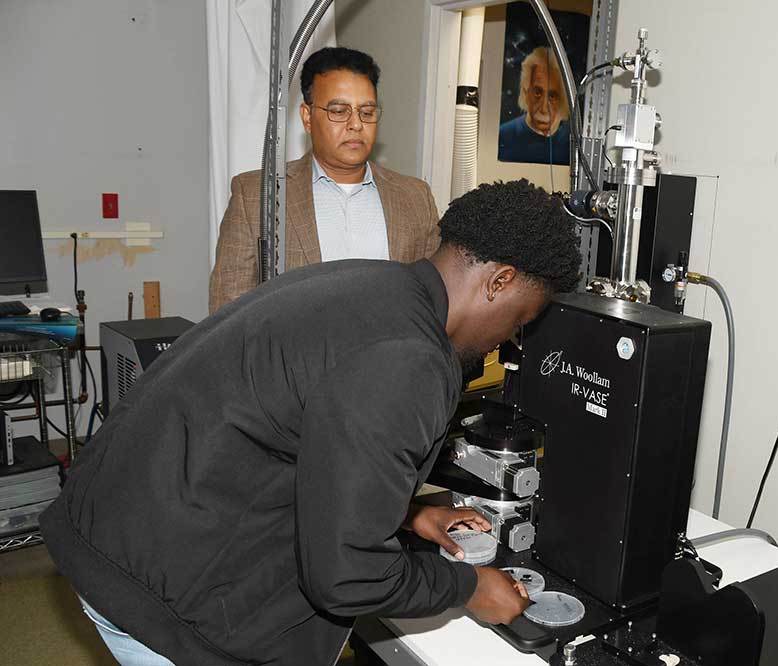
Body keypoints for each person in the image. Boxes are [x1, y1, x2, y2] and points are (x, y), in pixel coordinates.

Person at [40, 179, 582, 666]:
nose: (510, 341)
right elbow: (345, 577)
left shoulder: (374, 286)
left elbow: (303, 445)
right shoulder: (409, 358)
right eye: (519, 321)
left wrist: (408, 514)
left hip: (119, 527)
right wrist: (466, 586)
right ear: (500, 281)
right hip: (158, 588)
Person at [209, 46, 440, 314]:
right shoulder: (258, 195)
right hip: (294, 355)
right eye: (339, 111)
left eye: (366, 112)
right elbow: (226, 314)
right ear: (307, 117)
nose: (356, 124)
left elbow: (432, 303)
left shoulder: (414, 197)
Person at [498, 46, 571, 165]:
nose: (543, 108)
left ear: (562, 99)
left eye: (552, 96)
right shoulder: (504, 136)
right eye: (537, 93)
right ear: (526, 92)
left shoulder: (572, 140)